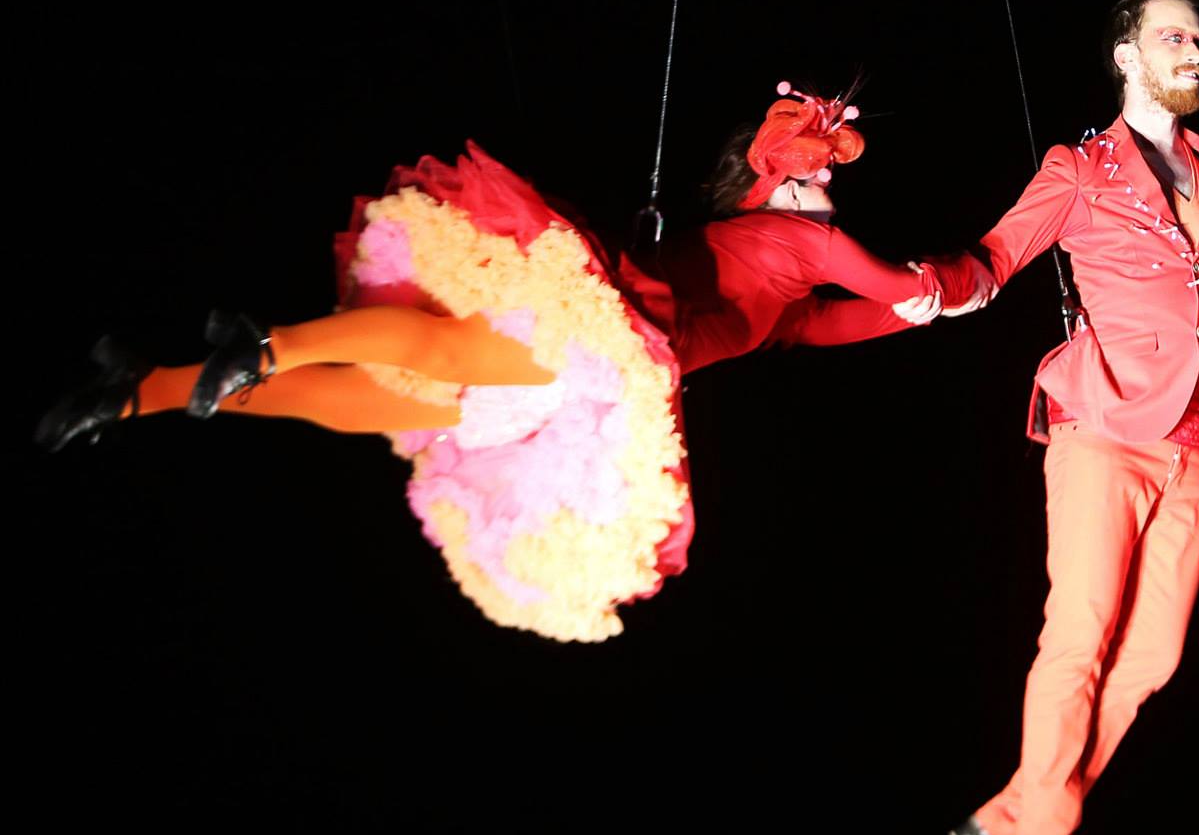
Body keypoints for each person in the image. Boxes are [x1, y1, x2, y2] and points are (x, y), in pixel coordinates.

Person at [37, 87, 987, 642]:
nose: (828, 189)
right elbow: (895, 286)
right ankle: (261, 348)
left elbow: (848, 325)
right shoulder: (799, 241)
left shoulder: (782, 297)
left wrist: (930, 308)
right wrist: (971, 280)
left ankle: (143, 390)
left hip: (602, 376)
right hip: (599, 334)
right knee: (444, 364)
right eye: (819, 175)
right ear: (779, 180)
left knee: (403, 401)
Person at [946, 0, 1199, 835]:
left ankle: (1010, 812)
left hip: (1196, 435)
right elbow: (996, 254)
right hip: (1102, 421)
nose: (1193, 46)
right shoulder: (1079, 167)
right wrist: (933, 288)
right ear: (1125, 58)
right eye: (1171, 35)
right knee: (1079, 634)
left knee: (1155, 659)